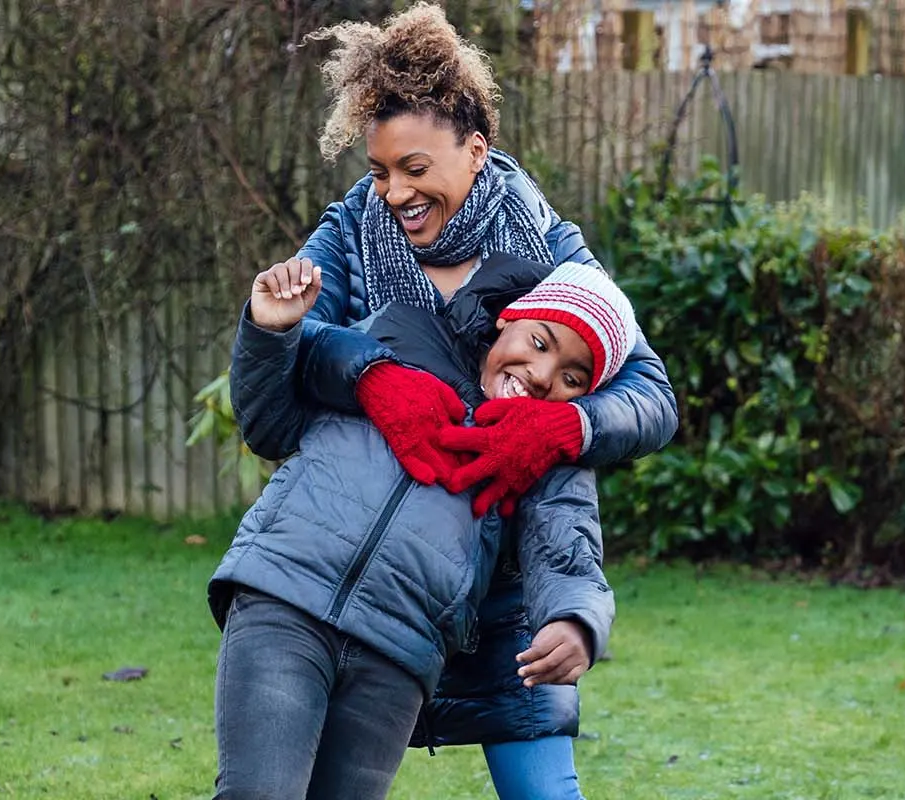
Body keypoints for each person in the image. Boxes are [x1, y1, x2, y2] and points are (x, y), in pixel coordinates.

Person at [236, 5, 679, 799]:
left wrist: (561, 424)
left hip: (507, 578)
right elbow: (291, 352)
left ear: (476, 149)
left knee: (544, 792)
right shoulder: (349, 236)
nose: (394, 192)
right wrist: (374, 374)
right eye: (379, 171)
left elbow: (650, 393)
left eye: (415, 167)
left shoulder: (548, 250)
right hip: (378, 582)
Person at [210, 253, 632, 800]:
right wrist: (270, 329)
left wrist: (578, 622)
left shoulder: (548, 453)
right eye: (541, 342)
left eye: (573, 377)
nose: (543, 375)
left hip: (400, 654)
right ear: (510, 318)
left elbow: (567, 551)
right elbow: (272, 422)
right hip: (286, 597)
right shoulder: (396, 334)